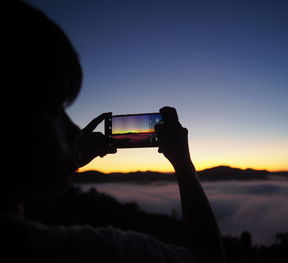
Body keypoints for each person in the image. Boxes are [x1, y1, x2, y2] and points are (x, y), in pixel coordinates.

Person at [1, 1, 225, 262]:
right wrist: (184, 163)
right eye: (54, 108)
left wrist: (70, 160)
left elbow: (26, 221)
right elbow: (209, 257)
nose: (73, 128)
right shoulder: (99, 251)